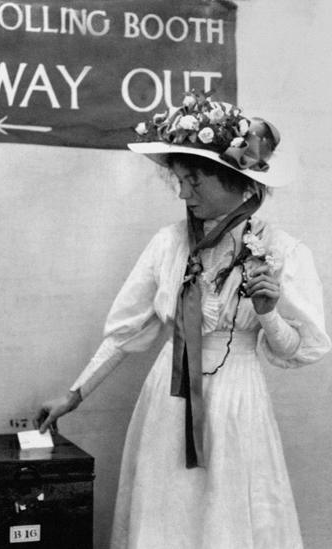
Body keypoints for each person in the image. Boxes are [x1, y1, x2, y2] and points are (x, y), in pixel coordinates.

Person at [35, 92, 331, 549]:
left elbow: (302, 350)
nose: (183, 192)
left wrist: (269, 315)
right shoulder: (168, 244)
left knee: (226, 519)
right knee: (167, 517)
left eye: (194, 181)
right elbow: (126, 331)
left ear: (236, 180)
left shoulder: (283, 252)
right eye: (178, 179)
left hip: (235, 405)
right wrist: (75, 393)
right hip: (168, 403)